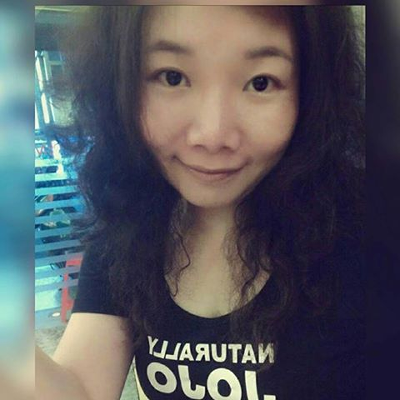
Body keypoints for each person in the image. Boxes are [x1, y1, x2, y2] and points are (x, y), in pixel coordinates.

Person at [36, 5, 365, 400]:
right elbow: (82, 390)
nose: (212, 135)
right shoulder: (129, 226)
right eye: (172, 77)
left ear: (312, 95)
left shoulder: (363, 232)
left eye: (261, 83)